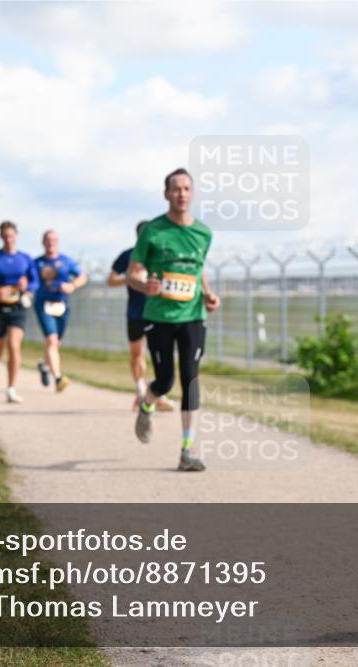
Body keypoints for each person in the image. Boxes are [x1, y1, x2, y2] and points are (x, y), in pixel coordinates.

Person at [127, 168, 220, 472]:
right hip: (159, 316)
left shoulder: (204, 233)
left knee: (190, 380)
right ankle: (147, 404)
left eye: (187, 188)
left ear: (192, 193)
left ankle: (187, 451)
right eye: (176, 189)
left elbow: (198, 270)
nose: (182, 194)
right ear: (167, 194)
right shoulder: (153, 231)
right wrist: (145, 286)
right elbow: (133, 273)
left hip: (192, 316)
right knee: (165, 380)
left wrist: (208, 294)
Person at [107, 221, 175, 411]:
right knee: (137, 354)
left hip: (159, 312)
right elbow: (111, 280)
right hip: (136, 312)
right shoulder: (128, 256)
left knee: (161, 353)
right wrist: (129, 279)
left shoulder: (162, 256)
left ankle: (157, 393)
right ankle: (140, 390)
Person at [0, 221, 39, 403]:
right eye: (5, 236)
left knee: (14, 345)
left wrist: (27, 287)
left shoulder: (25, 258)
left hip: (17, 307)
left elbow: (35, 282)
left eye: (11, 236)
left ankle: (11, 389)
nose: (8, 239)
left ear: (16, 236)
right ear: (0, 237)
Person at [33, 230, 87, 392]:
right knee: (52, 340)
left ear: (57, 242)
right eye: (48, 240)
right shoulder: (36, 263)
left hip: (61, 305)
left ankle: (44, 366)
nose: (51, 243)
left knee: (55, 342)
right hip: (43, 304)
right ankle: (57, 378)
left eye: (53, 240)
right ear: (43, 242)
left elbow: (82, 277)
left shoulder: (66, 261)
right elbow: (28, 279)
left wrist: (72, 285)